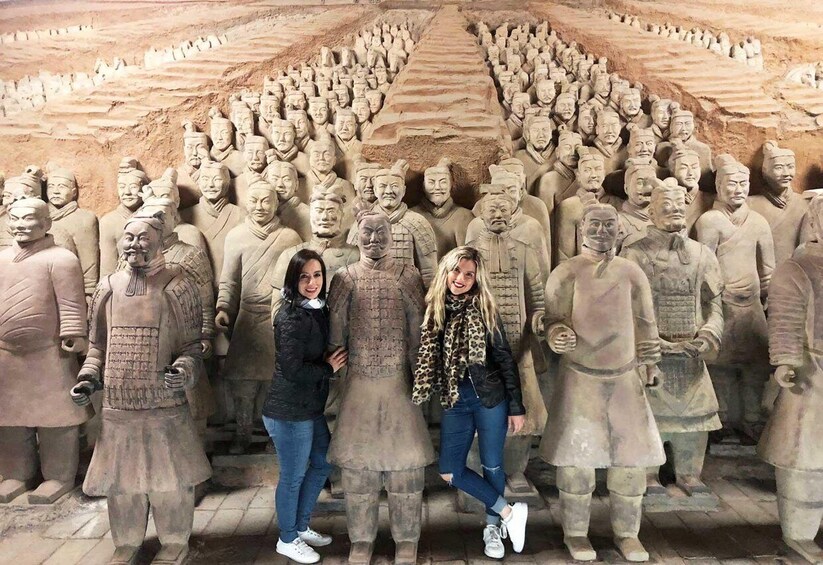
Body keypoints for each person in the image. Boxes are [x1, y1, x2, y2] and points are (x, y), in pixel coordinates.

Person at [412, 246, 529, 560]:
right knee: (450, 470)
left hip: (488, 399)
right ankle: (509, 513)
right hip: (455, 401)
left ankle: (493, 528)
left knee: (492, 464)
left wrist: (516, 407)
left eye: (469, 274)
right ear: (446, 271)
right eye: (456, 271)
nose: (460, 278)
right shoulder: (435, 310)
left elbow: (505, 359)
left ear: (477, 279)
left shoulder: (485, 309)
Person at [262, 249, 348, 564]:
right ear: (292, 280)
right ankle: (287, 539)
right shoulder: (290, 317)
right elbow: (292, 370)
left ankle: (299, 526)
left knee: (323, 463)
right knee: (293, 476)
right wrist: (328, 368)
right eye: (304, 277)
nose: (312, 283)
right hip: (288, 411)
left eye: (317, 275)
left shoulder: (316, 310)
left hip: (309, 408)